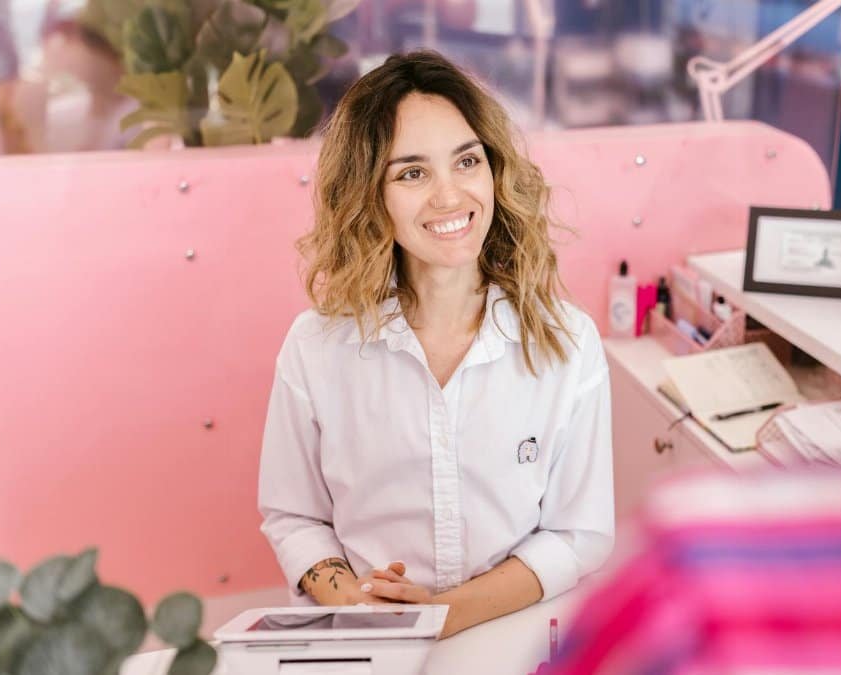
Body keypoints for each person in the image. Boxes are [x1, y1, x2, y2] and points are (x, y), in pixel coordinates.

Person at [258, 50, 614, 639]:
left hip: (510, 632)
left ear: (493, 171)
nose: (450, 197)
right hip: (369, 639)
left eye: (467, 161)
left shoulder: (567, 342)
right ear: (369, 194)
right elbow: (294, 517)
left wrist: (443, 615)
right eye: (412, 173)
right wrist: (362, 605)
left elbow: (578, 535)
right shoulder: (316, 347)